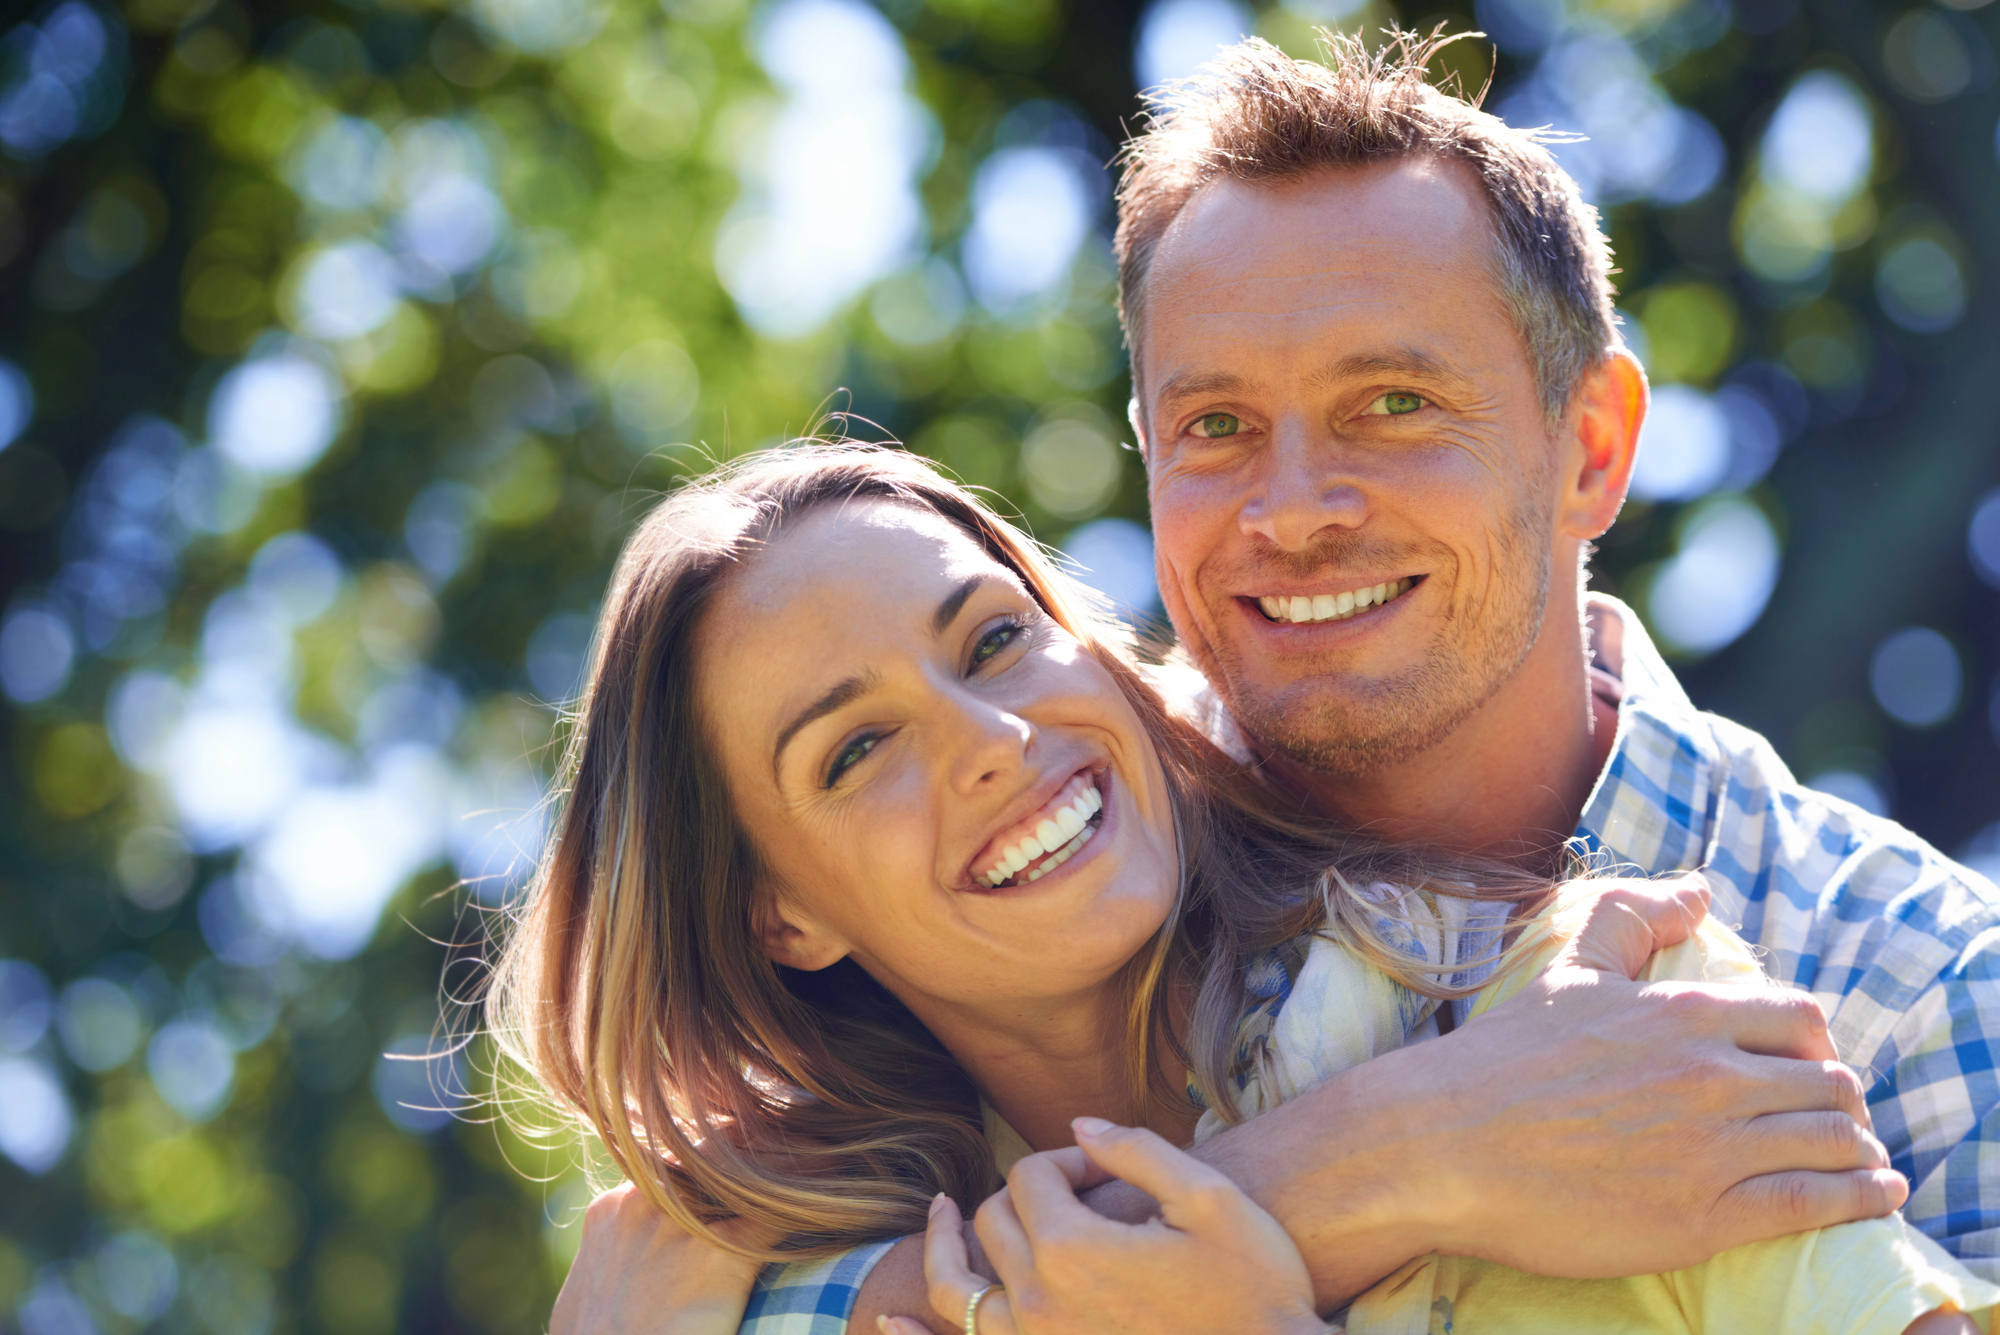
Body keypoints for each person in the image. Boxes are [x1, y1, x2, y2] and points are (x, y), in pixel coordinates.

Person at [689, 28, 2000, 1334]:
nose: (1296, 511)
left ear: (1591, 448)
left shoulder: (1916, 991)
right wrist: (1410, 1150)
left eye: (1393, 404)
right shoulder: (1050, 868)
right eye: (1218, 427)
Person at [498, 443, 1992, 1335]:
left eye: (996, 642)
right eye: (859, 748)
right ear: (780, 913)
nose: (993, 745)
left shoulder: (1597, 1020)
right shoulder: (751, 1292)